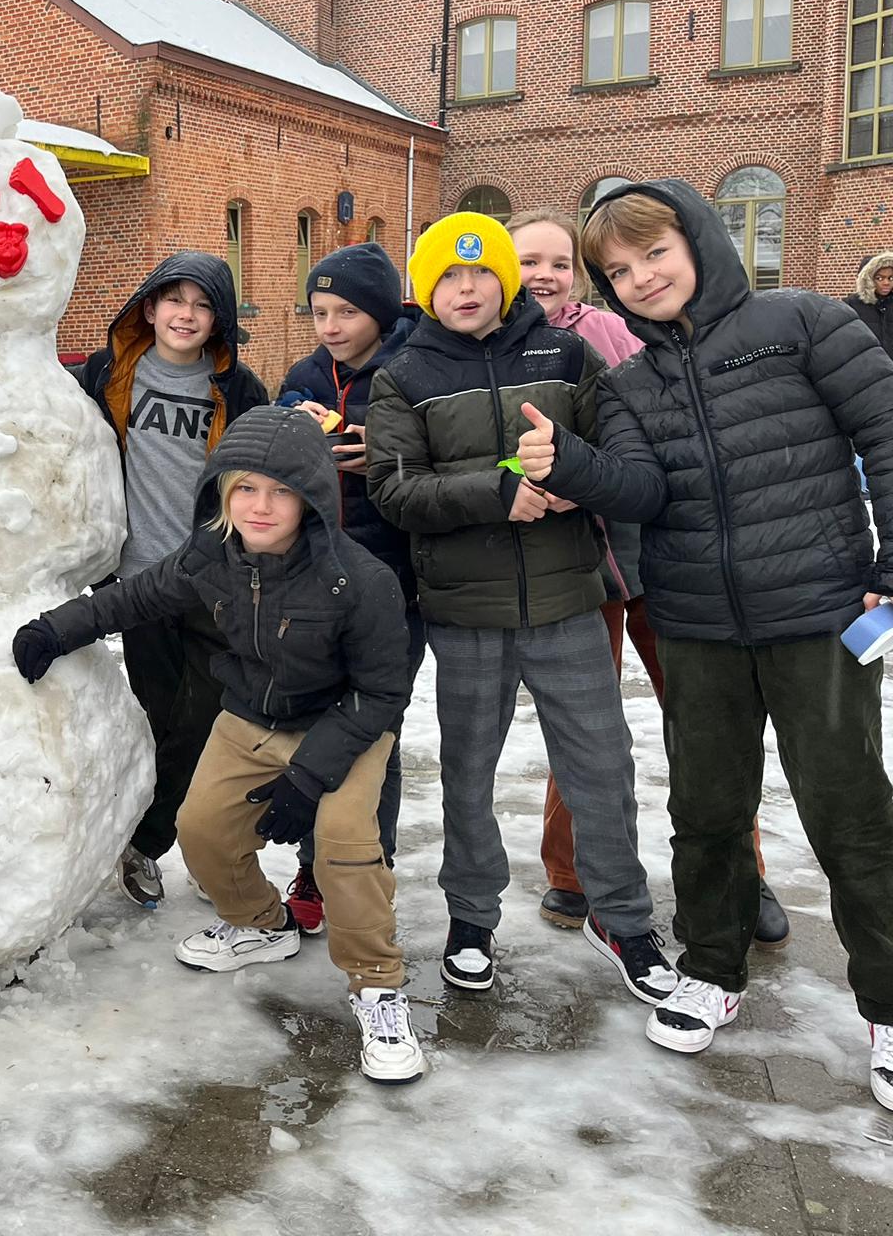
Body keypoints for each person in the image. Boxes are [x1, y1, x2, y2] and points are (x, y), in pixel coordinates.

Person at [514, 180, 893, 1109]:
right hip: (698, 626)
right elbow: (644, 491)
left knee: (851, 816)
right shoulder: (632, 379)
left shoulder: (801, 323)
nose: (642, 277)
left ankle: (887, 1004)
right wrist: (571, 465)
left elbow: (886, 432)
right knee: (708, 808)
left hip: (818, 614)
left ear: (699, 241)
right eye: (620, 269)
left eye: (655, 253)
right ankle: (714, 970)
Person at [12, 406, 424, 1083]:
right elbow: (137, 598)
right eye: (245, 489)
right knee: (200, 829)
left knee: (347, 845)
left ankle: (378, 985)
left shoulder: (361, 580)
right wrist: (56, 629)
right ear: (222, 494)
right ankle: (262, 924)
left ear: (312, 498)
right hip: (253, 716)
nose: (261, 507)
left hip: (343, 724)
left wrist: (310, 775)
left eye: (281, 491)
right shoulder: (216, 555)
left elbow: (382, 694)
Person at [365, 212, 675, 1007]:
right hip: (466, 613)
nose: (465, 289)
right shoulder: (404, 375)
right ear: (427, 289)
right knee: (469, 775)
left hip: (570, 599)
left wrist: (569, 468)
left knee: (601, 767)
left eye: (480, 273)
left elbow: (620, 460)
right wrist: (496, 493)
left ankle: (624, 918)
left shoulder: (565, 354)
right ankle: (472, 918)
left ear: (504, 278)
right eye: (447, 277)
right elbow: (394, 491)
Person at [513, 209, 788, 944]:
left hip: (659, 556)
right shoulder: (488, 348)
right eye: (528, 261)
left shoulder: (613, 332)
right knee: (582, 727)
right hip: (569, 568)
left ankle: (743, 872)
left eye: (558, 261)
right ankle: (571, 873)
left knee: (703, 722)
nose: (544, 274)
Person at [70, 250, 268, 908]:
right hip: (140, 579)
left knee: (210, 717)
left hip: (215, 577)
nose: (186, 314)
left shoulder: (240, 391)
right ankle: (151, 848)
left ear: (220, 320)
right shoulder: (107, 373)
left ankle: (169, 842)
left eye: (203, 304)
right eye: (174, 300)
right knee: (160, 717)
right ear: (148, 309)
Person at [276, 242, 421, 936]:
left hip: (394, 587)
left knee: (372, 737)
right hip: (313, 585)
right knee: (313, 730)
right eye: (319, 311)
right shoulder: (306, 375)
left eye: (346, 311)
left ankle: (364, 864)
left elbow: (460, 455)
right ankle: (312, 864)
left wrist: (386, 456)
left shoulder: (416, 366)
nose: (330, 325)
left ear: (382, 310)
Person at [846, 251, 893, 359]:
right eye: (879, 278)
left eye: (891, 278)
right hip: (865, 368)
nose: (886, 283)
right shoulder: (851, 305)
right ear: (868, 280)